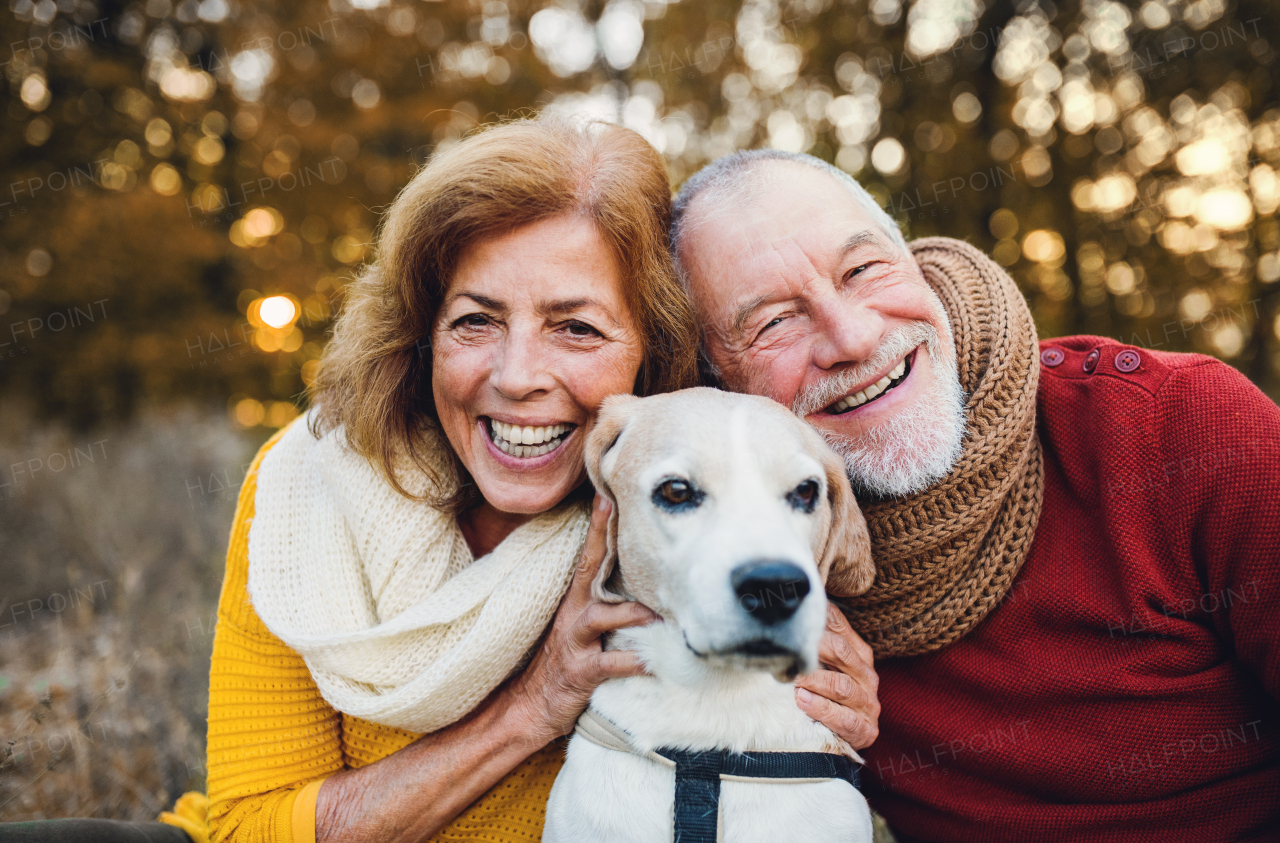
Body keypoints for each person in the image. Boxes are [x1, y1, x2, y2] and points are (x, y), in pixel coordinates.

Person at [165, 118, 880, 843]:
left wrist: (835, 691)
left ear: (652, 348)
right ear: (422, 333)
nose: (516, 378)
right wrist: (534, 703)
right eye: (475, 320)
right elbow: (247, 827)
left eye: (576, 328)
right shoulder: (306, 490)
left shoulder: (683, 508)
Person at [669, 148, 1280, 841]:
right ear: (714, 385)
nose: (855, 335)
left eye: (864, 270)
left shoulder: (1178, 427)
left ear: (914, 260)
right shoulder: (742, 573)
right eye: (774, 322)